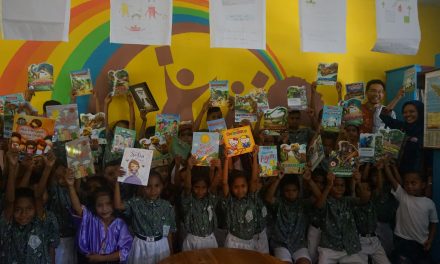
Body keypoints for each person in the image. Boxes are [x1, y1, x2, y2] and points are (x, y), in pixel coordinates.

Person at [0, 150, 59, 263]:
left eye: (29, 209)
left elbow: (38, 197)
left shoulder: (39, 222)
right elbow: (10, 201)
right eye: (18, 210)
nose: (23, 214)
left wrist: (47, 168)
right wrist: (12, 168)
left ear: (36, 209)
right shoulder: (9, 225)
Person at [65, 169, 132, 264]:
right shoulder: (91, 219)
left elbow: (125, 251)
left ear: (114, 203)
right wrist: (71, 186)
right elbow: (77, 208)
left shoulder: (120, 224)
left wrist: (102, 259)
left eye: (108, 204)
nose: (104, 209)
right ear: (94, 206)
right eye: (99, 205)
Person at [114, 171, 176, 264]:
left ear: (162, 186)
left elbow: (169, 231)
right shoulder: (135, 203)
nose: (153, 190)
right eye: (148, 186)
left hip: (161, 245)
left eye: (157, 185)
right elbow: (118, 205)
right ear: (142, 187)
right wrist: (117, 183)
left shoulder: (167, 206)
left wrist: (171, 251)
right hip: (140, 245)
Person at [384, 163, 438, 264]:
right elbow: (392, 179)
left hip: (421, 245)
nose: (409, 186)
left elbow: (434, 223)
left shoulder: (429, 203)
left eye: (413, 183)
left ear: (423, 185)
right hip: (402, 242)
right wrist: (386, 165)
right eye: (406, 183)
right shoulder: (403, 196)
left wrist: (430, 240)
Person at [266, 168, 321, 264]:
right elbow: (268, 198)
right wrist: (278, 179)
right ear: (282, 191)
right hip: (281, 244)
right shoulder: (279, 203)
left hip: (299, 245)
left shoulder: (303, 204)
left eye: (294, 190)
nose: (291, 193)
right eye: (287, 190)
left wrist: (309, 180)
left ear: (299, 191)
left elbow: (319, 197)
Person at [315, 170, 369, 264]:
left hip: (349, 248)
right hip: (329, 248)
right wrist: (328, 185)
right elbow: (319, 206)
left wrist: (358, 182)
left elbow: (365, 199)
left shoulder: (347, 200)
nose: (339, 188)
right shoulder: (326, 201)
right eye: (336, 185)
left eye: (342, 185)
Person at [221, 146, 263, 251]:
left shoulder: (251, 198)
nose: (240, 190)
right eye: (236, 187)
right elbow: (224, 182)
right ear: (231, 188)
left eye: (243, 186)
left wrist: (254, 156)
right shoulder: (230, 201)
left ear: (247, 186)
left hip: (250, 241)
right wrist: (226, 159)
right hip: (232, 242)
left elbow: (254, 179)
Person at [181, 156, 222, 250]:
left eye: (203, 188)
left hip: (210, 240)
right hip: (192, 240)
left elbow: (215, 184)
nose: (200, 191)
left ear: (208, 188)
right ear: (192, 187)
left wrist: (219, 168)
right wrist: (188, 168)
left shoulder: (210, 199)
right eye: (196, 187)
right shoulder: (189, 200)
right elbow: (187, 187)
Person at [380, 100, 428, 174]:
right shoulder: (402, 127)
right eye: (405, 112)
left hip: (419, 176)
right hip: (400, 173)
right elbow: (384, 116)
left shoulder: (427, 131)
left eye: (412, 111)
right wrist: (398, 96)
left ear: (420, 112)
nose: (408, 114)